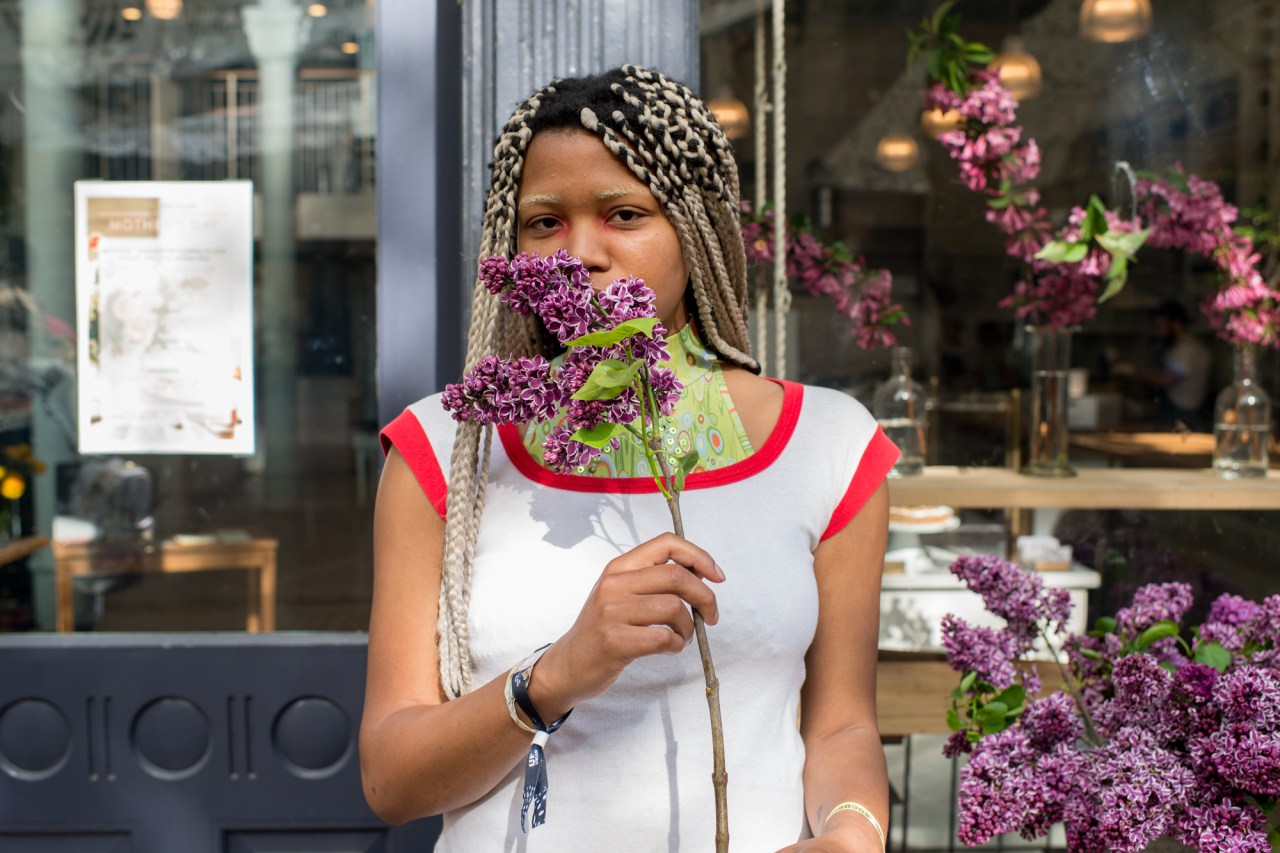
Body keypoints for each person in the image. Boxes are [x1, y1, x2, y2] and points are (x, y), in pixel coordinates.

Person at [361, 66, 899, 852]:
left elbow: (843, 722)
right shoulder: (442, 449)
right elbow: (391, 781)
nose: (580, 252)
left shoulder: (831, 447)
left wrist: (852, 833)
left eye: (623, 213)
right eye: (543, 222)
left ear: (699, 227)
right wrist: (557, 674)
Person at [1115, 300, 1212, 430]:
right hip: (1175, 409)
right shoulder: (1178, 347)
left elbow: (1167, 379)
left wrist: (1133, 371)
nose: (1158, 332)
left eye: (1160, 327)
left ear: (1176, 324)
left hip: (1181, 413)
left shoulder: (1187, 350)